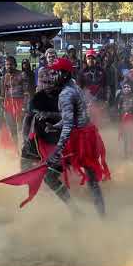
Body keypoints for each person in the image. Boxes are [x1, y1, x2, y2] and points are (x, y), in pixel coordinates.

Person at [45, 58, 109, 216]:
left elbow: (68, 125)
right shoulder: (73, 85)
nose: (52, 76)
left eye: (55, 72)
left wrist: (57, 151)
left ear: (64, 74)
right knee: (92, 180)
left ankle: (75, 211)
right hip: (87, 135)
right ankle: (103, 216)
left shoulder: (66, 94)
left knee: (49, 176)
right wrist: (55, 126)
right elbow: (73, 117)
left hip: (77, 140)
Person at [0, 56, 29, 152]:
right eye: (6, 64)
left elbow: (26, 92)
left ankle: (24, 149)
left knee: (21, 128)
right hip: (8, 104)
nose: (8, 66)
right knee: (11, 127)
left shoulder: (22, 74)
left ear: (15, 65)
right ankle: (16, 149)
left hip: (19, 103)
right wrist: (2, 105)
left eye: (10, 64)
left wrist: (24, 106)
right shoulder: (5, 76)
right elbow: (3, 92)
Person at [78, 49, 108, 127]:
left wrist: (105, 100)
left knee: (99, 124)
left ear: (96, 59)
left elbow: (105, 86)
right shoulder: (82, 72)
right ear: (86, 59)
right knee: (87, 124)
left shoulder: (102, 71)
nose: (91, 60)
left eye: (93, 58)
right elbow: (79, 88)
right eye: (89, 58)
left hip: (99, 101)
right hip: (87, 102)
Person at [116, 80, 133, 158]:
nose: (126, 88)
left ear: (131, 88)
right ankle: (125, 153)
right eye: (124, 87)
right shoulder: (120, 97)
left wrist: (130, 111)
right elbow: (118, 108)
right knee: (125, 136)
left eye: (128, 87)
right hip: (124, 118)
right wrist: (121, 114)